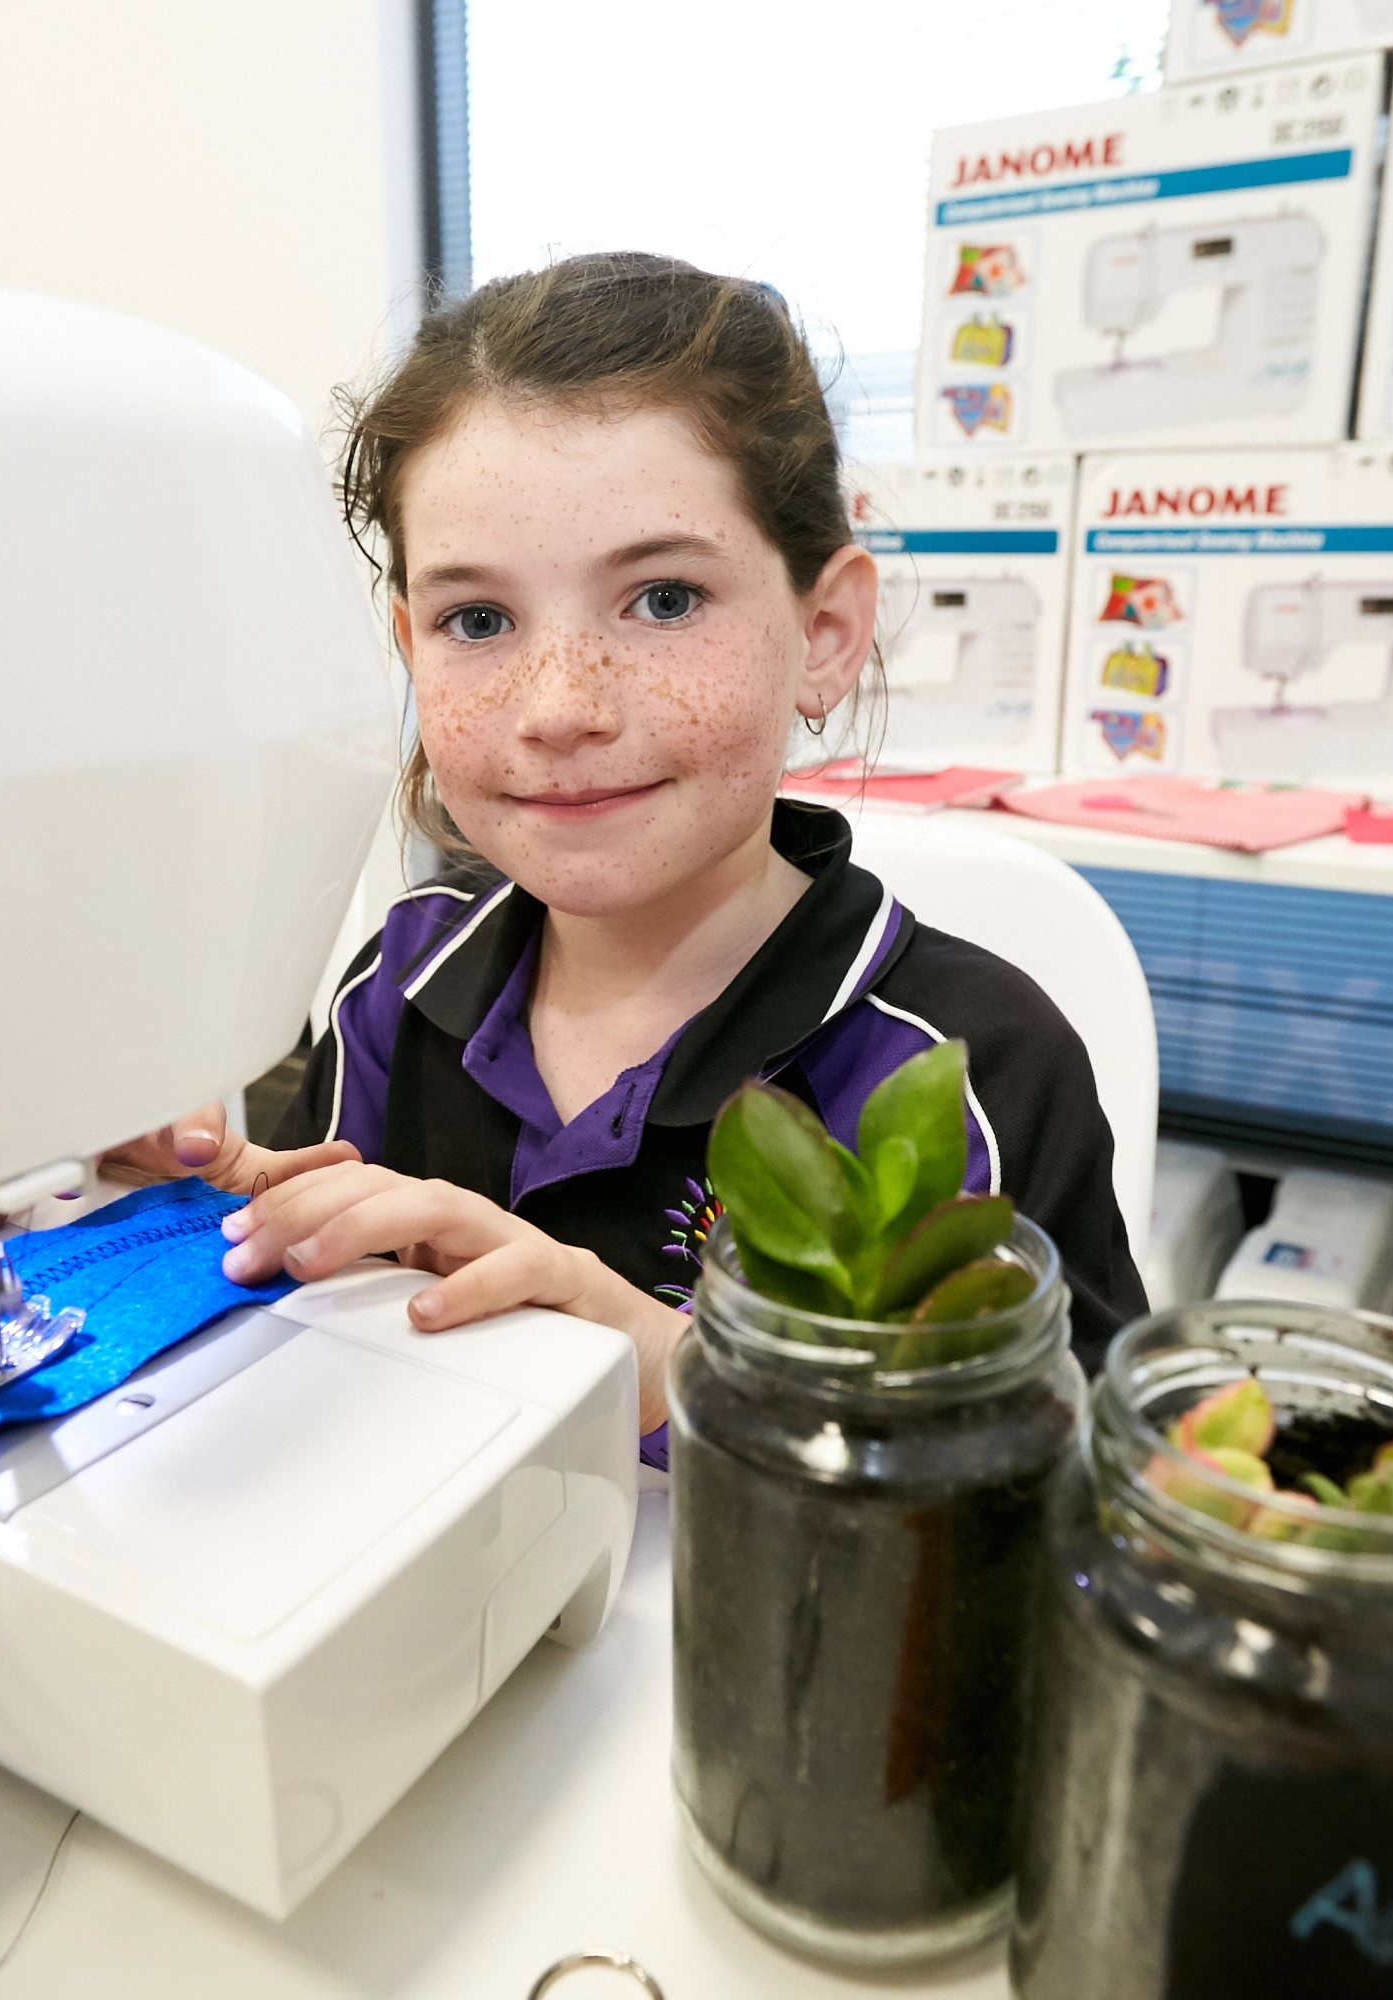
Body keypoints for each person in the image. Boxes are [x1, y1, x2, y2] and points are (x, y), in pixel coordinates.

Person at [108, 253, 1145, 1459]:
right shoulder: (398, 984)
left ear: (822, 632)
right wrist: (225, 1205)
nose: (559, 707)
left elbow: (1092, 1495)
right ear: (409, 645)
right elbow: (357, 1332)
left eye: (661, 599)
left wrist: (680, 1369)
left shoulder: (971, 1067)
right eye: (477, 621)